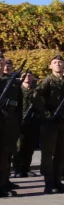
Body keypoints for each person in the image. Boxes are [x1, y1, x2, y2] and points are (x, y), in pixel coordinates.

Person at [34, 55, 64, 195]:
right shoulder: (47, 80)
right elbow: (35, 96)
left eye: (60, 62)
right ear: (50, 66)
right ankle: (49, 183)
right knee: (49, 154)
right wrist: (46, 113)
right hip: (50, 122)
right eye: (55, 62)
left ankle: (58, 181)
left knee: (61, 153)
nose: (58, 64)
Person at [0, 59, 24, 197]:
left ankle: (2, 185)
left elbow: (19, 106)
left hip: (8, 124)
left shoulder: (13, 83)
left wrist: (18, 124)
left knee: (5, 156)